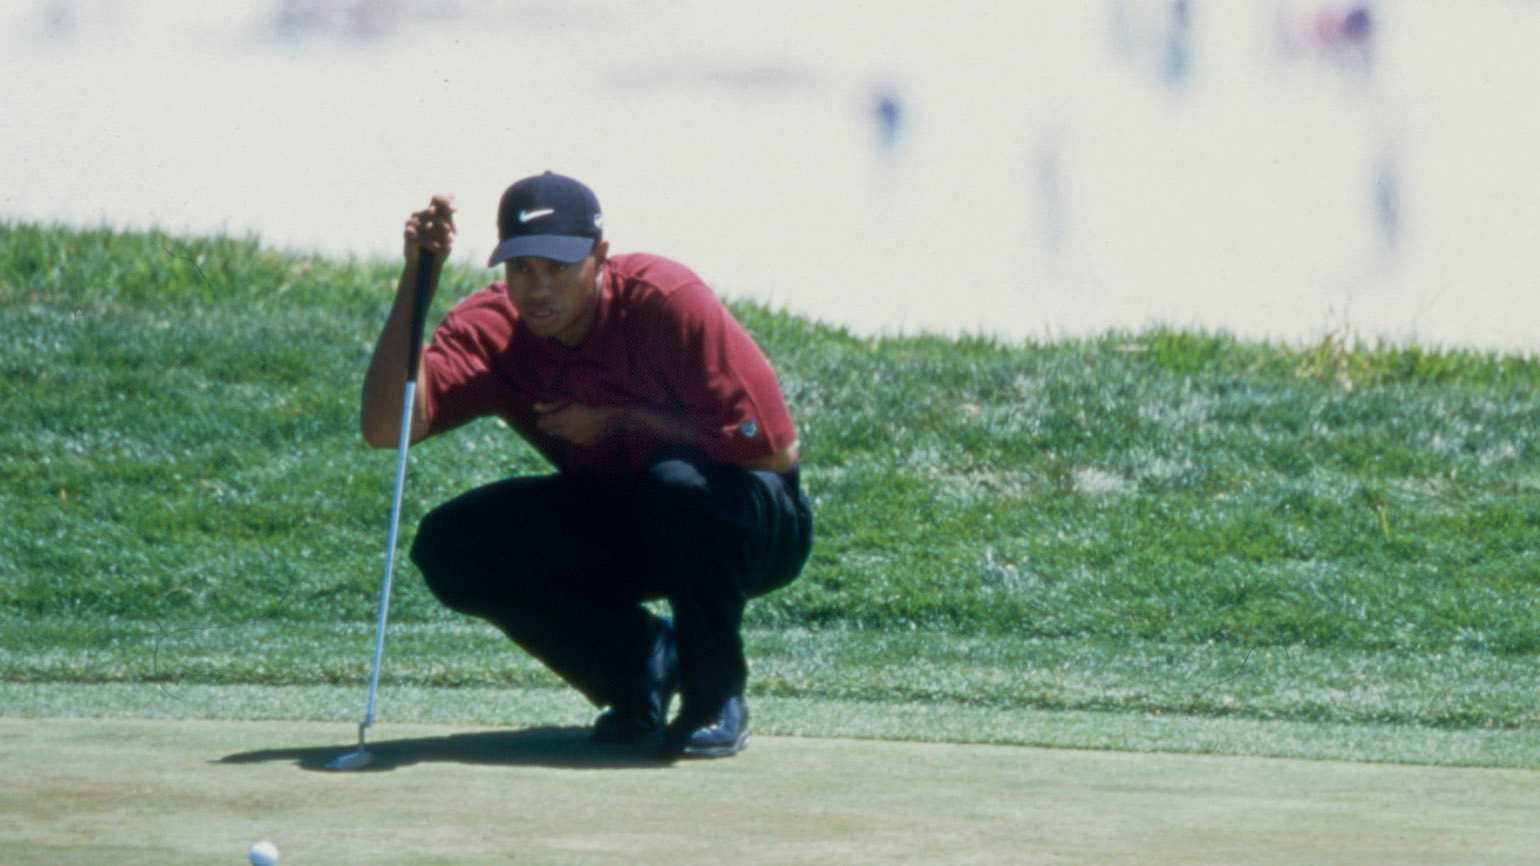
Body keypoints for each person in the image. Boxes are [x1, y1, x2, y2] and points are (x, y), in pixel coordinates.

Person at [360, 171, 813, 759]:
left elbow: (772, 452)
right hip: (626, 513)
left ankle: (712, 693)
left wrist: (622, 420)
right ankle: (641, 670)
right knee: (453, 543)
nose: (538, 289)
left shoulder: (666, 299)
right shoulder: (494, 331)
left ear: (599, 257)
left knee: (676, 486)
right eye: (522, 269)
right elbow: (384, 427)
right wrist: (418, 278)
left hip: (751, 521)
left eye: (558, 267)